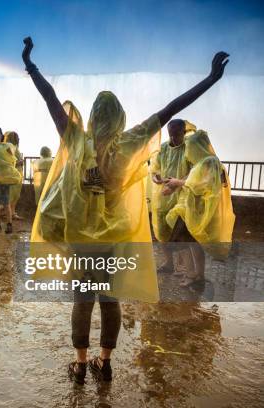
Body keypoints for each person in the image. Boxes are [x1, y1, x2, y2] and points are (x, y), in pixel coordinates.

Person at [22, 35, 229, 384]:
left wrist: (30, 64)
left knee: (82, 300)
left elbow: (50, 98)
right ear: (119, 118)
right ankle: (105, 362)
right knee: (110, 300)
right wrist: (210, 79)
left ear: (91, 117)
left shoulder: (75, 139)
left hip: (81, 240)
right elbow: (170, 109)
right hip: (116, 239)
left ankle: (80, 363)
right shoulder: (130, 142)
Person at [165, 130, 235, 286]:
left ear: (197, 147)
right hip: (194, 210)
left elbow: (200, 185)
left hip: (195, 211)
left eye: (189, 147)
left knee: (183, 242)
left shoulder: (208, 162)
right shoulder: (209, 162)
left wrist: (178, 183)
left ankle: (191, 274)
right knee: (193, 243)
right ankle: (199, 275)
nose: (187, 152)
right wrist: (176, 183)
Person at [150, 120, 195, 273]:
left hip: (182, 197)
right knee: (162, 232)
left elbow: (196, 171)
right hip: (163, 196)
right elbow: (155, 168)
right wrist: (156, 177)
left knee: (180, 234)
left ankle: (183, 267)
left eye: (177, 134)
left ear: (184, 132)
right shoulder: (163, 148)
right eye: (171, 134)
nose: (173, 138)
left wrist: (178, 183)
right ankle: (169, 263)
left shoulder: (189, 148)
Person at [4, 131, 25, 220]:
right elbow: (7, 162)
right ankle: (10, 213)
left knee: (15, 195)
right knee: (12, 195)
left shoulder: (15, 147)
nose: (18, 139)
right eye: (16, 137)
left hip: (17, 174)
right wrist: (18, 163)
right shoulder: (9, 148)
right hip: (13, 175)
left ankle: (12, 212)